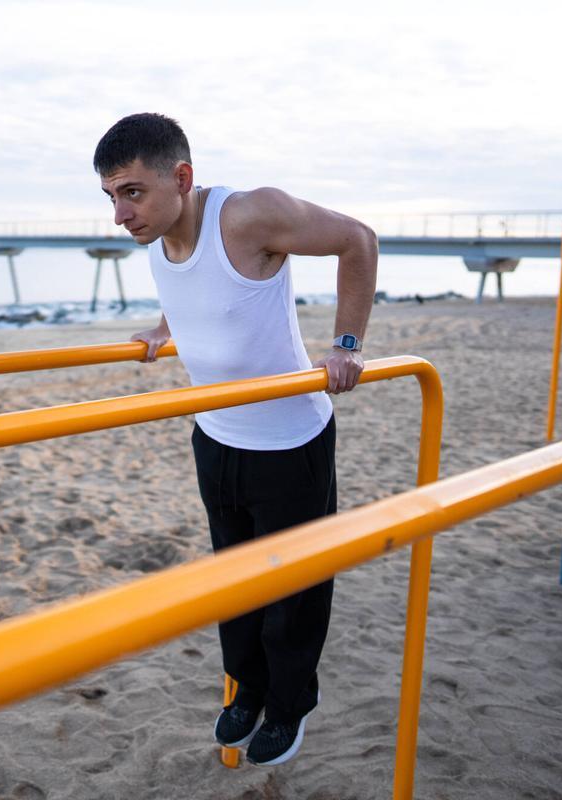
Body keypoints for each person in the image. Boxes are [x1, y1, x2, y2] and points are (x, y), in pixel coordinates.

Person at [93, 113, 377, 766]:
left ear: (182, 178)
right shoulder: (156, 239)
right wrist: (165, 328)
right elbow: (195, 290)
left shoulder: (249, 216)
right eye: (111, 196)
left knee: (292, 591)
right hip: (215, 434)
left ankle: (289, 705)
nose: (119, 214)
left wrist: (347, 346)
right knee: (234, 581)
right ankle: (247, 689)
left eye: (131, 192)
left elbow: (358, 240)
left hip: (288, 441)